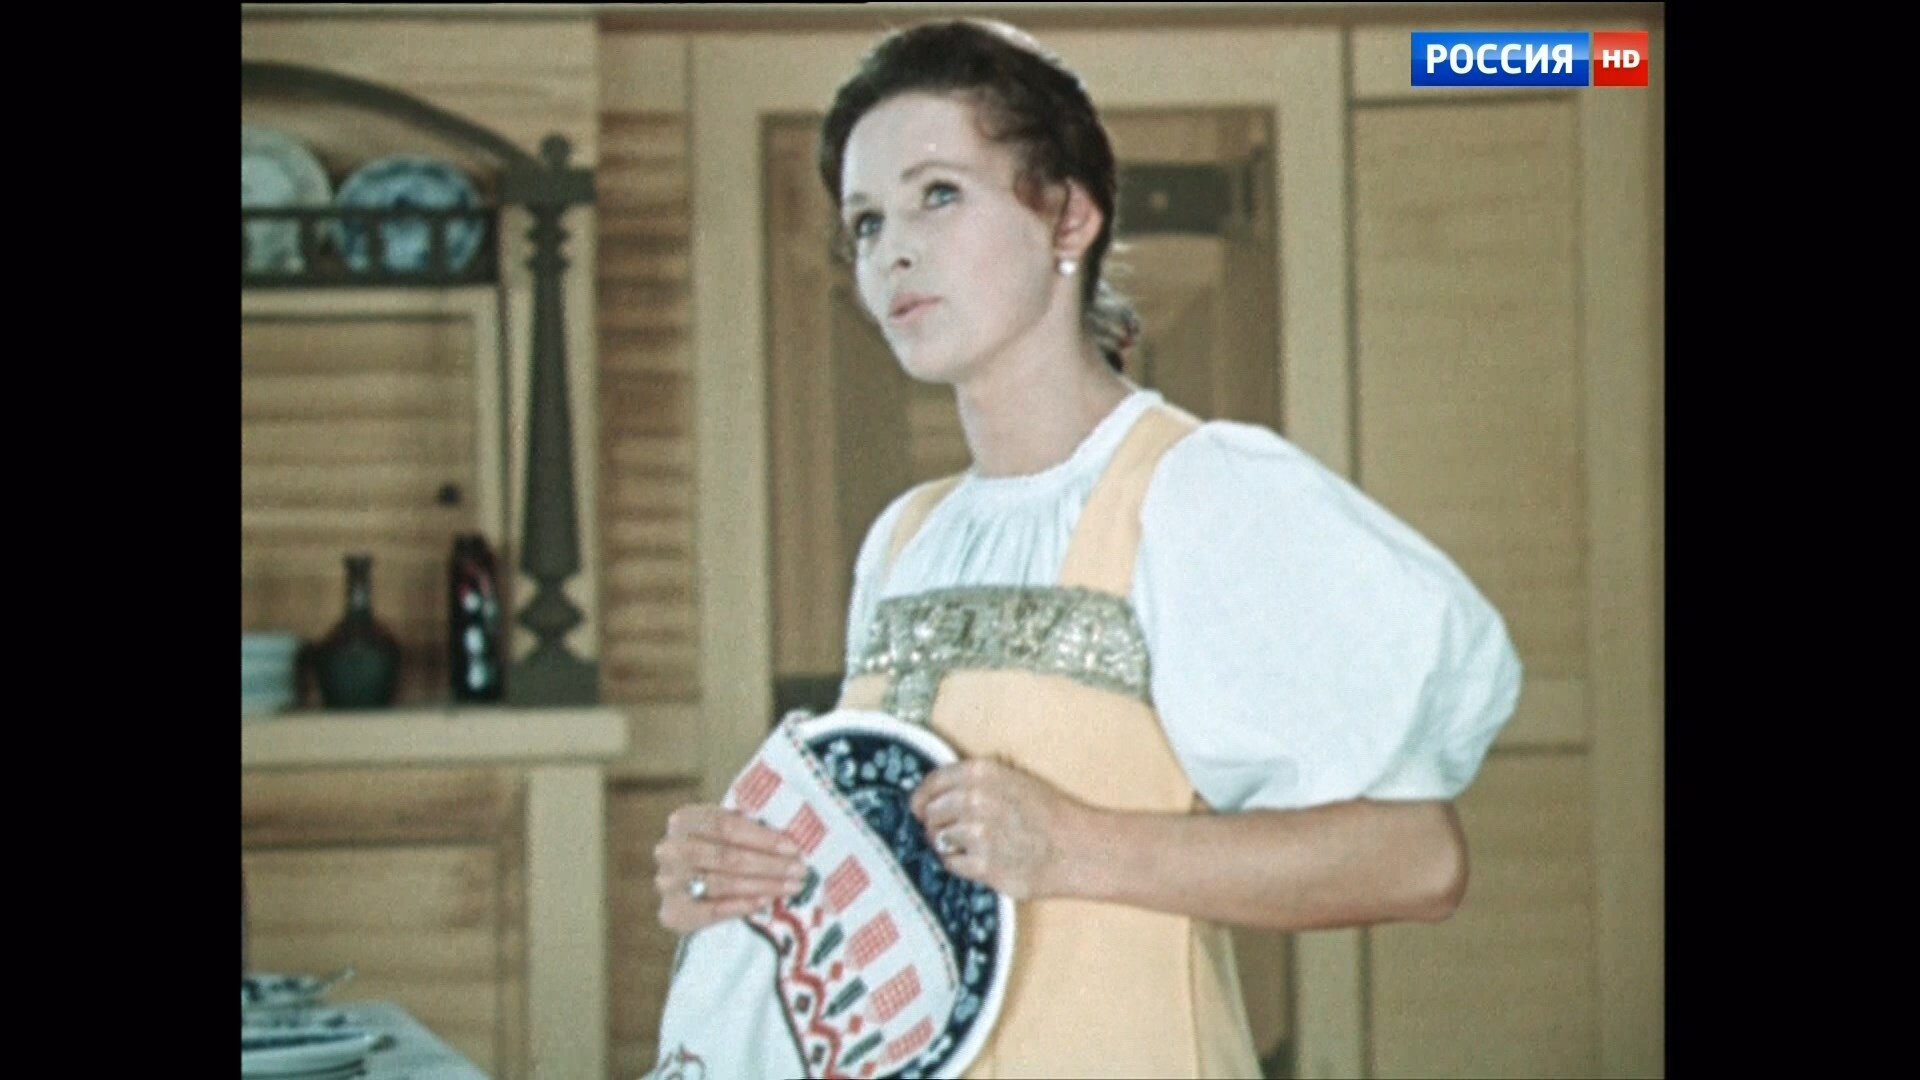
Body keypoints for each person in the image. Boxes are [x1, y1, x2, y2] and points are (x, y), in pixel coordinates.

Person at [652, 18, 1523, 1076]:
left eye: (938, 194)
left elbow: (1419, 861)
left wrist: (1072, 846)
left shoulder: (1194, 492)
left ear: (1067, 214)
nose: (894, 252)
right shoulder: (906, 539)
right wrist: (753, 878)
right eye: (867, 221)